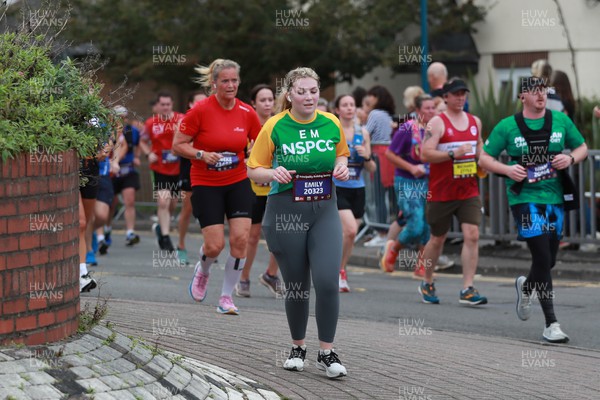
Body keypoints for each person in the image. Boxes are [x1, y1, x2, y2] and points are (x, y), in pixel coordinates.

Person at [247, 67, 350, 379]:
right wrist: (272, 174)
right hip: (285, 211)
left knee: (328, 281)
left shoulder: (331, 122)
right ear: (289, 94)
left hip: (325, 210)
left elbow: (341, 155)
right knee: (296, 285)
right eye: (302, 92)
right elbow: (254, 169)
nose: (309, 97)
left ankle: (327, 352)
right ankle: (297, 348)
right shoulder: (275, 126)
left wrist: (342, 167)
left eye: (314, 91)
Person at [479, 76, 588, 343]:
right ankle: (551, 323)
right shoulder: (507, 126)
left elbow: (582, 146)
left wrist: (570, 157)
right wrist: (507, 169)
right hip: (524, 199)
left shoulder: (560, 120)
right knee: (540, 257)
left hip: (554, 198)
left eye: (543, 91)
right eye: (534, 91)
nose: (540, 95)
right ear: (522, 97)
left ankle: (526, 287)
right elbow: (483, 157)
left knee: (549, 260)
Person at [173, 59, 261, 315]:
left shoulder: (246, 112)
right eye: (225, 81)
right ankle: (203, 270)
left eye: (235, 80)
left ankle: (226, 297)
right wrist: (201, 154)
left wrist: (256, 150)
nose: (231, 85)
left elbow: (260, 140)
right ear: (214, 83)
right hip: (206, 183)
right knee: (214, 246)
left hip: (237, 181)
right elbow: (178, 145)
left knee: (240, 239)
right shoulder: (200, 111)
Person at [418, 78, 487, 306]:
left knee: (472, 235)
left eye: (463, 94)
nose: (461, 98)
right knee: (437, 239)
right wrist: (451, 154)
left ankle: (467, 288)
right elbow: (425, 154)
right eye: (456, 94)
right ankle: (427, 280)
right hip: (441, 191)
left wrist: (483, 160)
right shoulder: (436, 123)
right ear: (445, 97)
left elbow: (479, 147)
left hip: (468, 189)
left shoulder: (474, 121)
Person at [235, 84, 283, 298]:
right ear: (253, 103)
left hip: (277, 187)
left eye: (270, 99)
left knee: (281, 234)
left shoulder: (279, 125)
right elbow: (239, 157)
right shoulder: (246, 126)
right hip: (253, 188)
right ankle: (243, 278)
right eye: (262, 100)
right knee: (252, 236)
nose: (267, 104)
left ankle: (271, 275)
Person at [381, 95, 435, 274]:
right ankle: (394, 249)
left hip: (429, 181)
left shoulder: (436, 129)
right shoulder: (407, 128)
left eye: (433, 107)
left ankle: (422, 264)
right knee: (416, 225)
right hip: (407, 181)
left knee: (428, 223)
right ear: (418, 111)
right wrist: (411, 168)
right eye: (427, 108)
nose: (431, 111)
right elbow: (390, 154)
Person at [333, 94, 376, 292]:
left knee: (349, 236)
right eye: (345, 105)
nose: (350, 108)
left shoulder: (363, 133)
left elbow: (372, 168)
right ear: (337, 110)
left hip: (358, 189)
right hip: (337, 187)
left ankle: (339, 268)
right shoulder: (333, 131)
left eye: (352, 104)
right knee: (349, 230)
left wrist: (366, 156)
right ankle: (339, 271)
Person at [140, 92, 184, 252]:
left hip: (178, 168)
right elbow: (142, 140)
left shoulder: (181, 120)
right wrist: (148, 153)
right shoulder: (151, 123)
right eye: (162, 104)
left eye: (168, 104)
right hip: (159, 168)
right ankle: (165, 238)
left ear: (172, 105)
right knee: (163, 202)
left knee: (172, 203)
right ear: (158, 106)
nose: (165, 107)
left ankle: (161, 226)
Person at [176, 91, 208, 265]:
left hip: (208, 170)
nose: (202, 105)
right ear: (190, 104)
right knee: (187, 210)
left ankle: (208, 247)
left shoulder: (211, 120)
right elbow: (177, 148)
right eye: (198, 103)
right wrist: (199, 149)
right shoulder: (184, 121)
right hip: (189, 170)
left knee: (209, 210)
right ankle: (181, 246)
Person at [362, 85, 396, 248]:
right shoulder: (387, 115)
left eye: (372, 96)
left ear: (377, 98)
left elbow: (366, 132)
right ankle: (392, 231)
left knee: (378, 195)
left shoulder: (375, 114)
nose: (369, 99)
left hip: (378, 155)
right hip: (389, 155)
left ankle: (382, 232)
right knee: (390, 196)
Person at [106, 106, 142, 249]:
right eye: (118, 117)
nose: (122, 120)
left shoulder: (132, 131)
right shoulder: (108, 131)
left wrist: (137, 157)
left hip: (127, 169)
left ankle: (130, 232)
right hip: (112, 171)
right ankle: (107, 229)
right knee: (111, 204)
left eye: (124, 117)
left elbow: (138, 145)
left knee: (130, 200)